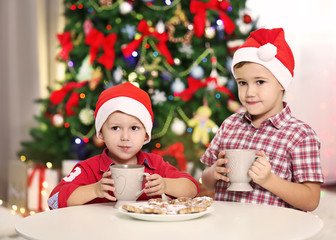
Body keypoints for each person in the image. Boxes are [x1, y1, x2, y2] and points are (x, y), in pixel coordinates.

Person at [200, 28, 324, 211]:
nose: (249, 92)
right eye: (243, 83)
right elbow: (208, 183)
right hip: (227, 227)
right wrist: (213, 173)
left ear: (282, 83)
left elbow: (311, 201)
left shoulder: (300, 135)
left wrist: (269, 180)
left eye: (260, 82)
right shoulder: (230, 125)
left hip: (273, 231)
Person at [48, 82, 199, 209]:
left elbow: (192, 188)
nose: (125, 137)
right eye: (115, 128)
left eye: (134, 128)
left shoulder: (155, 165)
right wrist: (94, 190)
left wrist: (166, 185)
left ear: (146, 134)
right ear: (100, 133)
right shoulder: (88, 169)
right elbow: (54, 200)